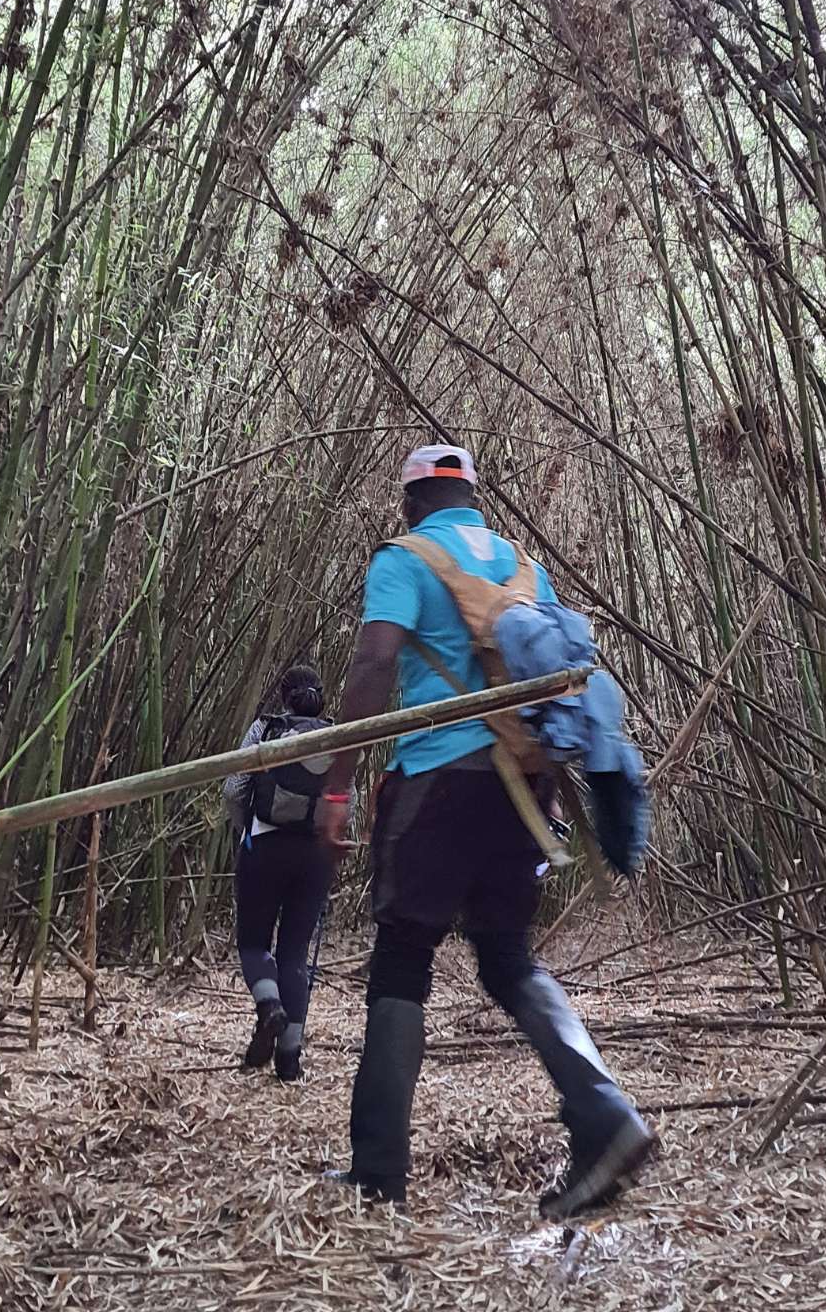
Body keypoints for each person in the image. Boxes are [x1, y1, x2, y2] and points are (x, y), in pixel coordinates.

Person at [317, 444, 655, 1217]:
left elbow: (373, 665)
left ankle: (377, 1172)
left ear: (410, 503)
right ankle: (605, 1117)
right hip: (524, 794)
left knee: (403, 956)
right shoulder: (520, 567)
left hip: (438, 782)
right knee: (507, 959)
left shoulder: (405, 559)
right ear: (472, 494)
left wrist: (335, 783)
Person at [224, 664, 335, 1082]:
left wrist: (245, 829)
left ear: (284, 696)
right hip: (314, 855)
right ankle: (290, 1059)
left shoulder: (264, 730)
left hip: (263, 847)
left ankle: (269, 1007)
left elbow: (234, 788)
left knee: (254, 944)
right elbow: (350, 799)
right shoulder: (335, 734)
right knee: (294, 954)